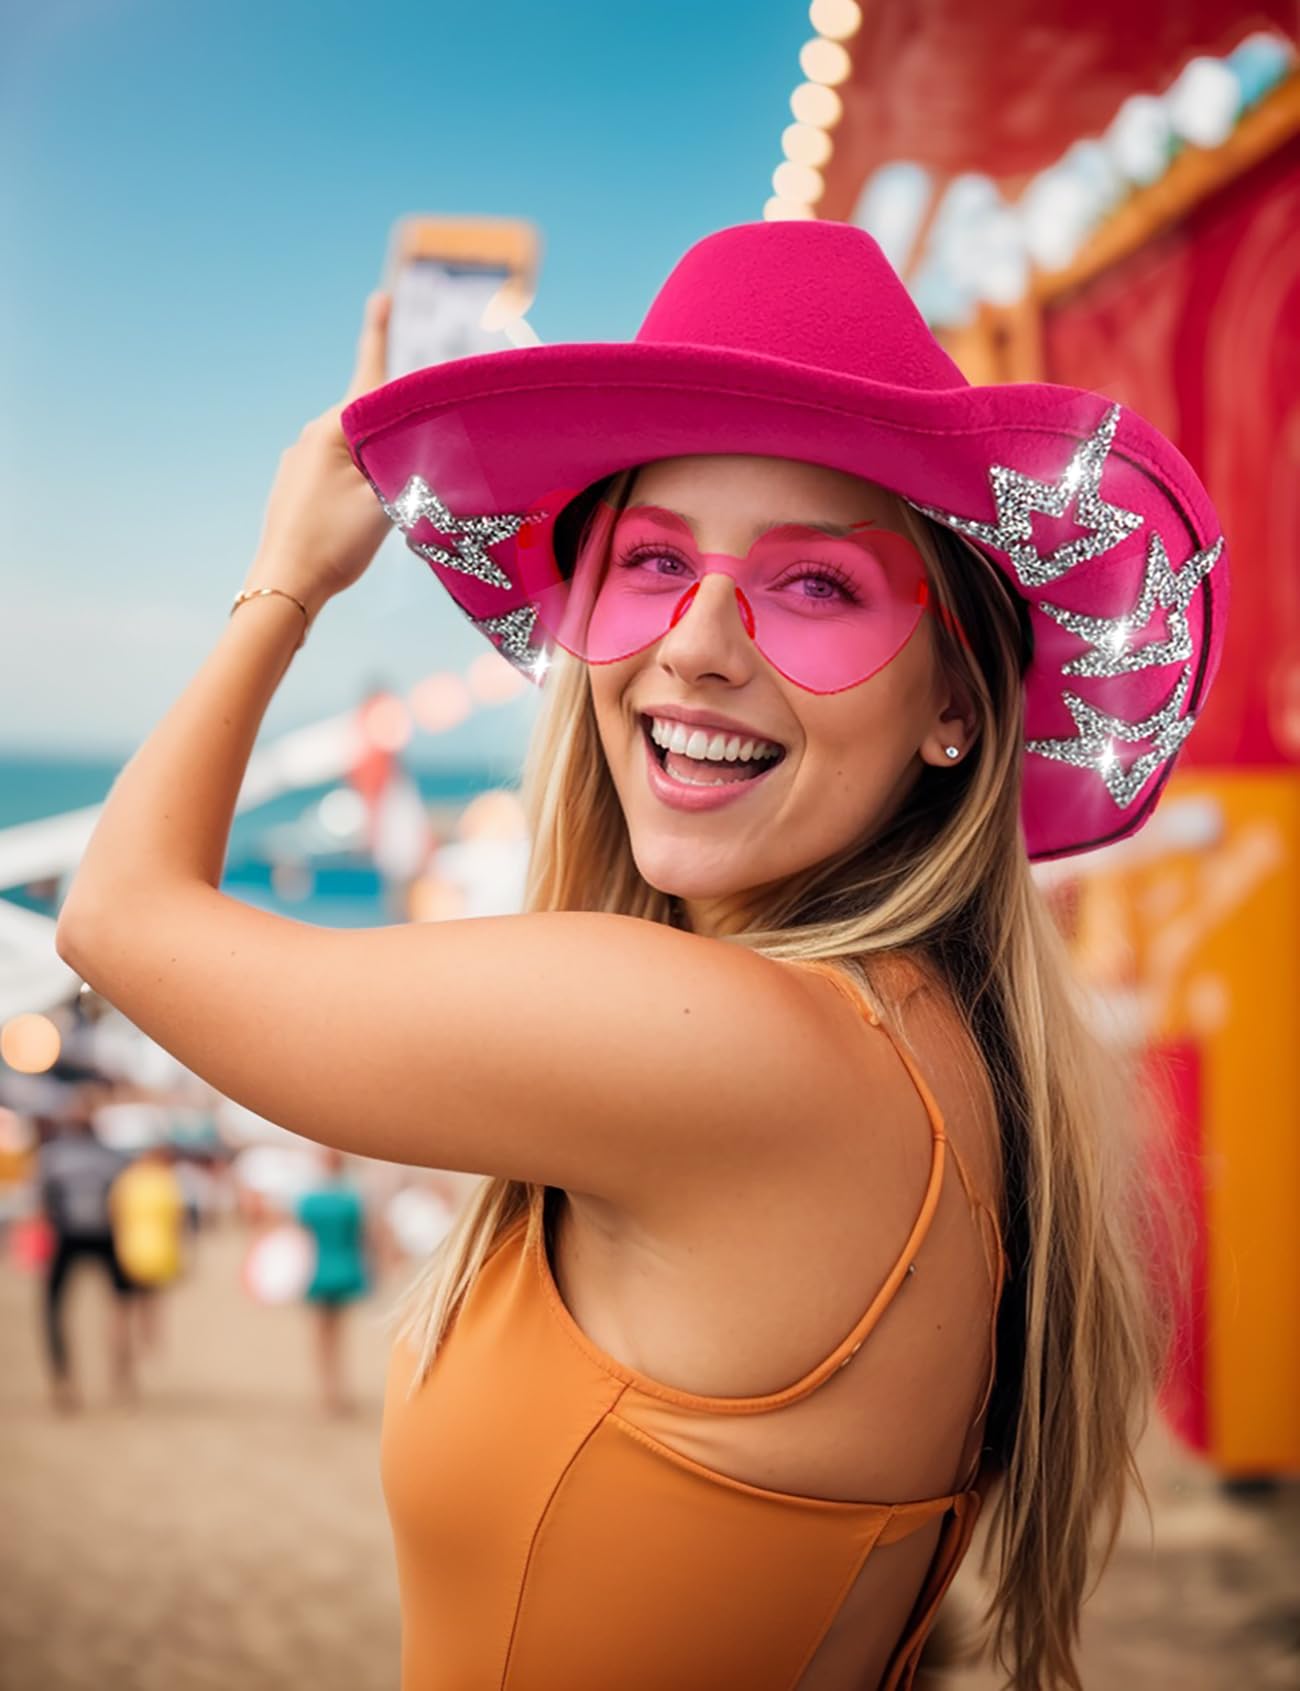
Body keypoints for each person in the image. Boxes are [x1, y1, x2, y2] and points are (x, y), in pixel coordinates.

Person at [54, 219, 1226, 1689]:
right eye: (656, 560)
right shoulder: (925, 1046)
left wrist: (287, 576)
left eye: (816, 586)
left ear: (959, 706)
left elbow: (119, 914)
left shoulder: (738, 1046)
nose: (698, 642)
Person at [36, 1090, 136, 1410]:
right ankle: (118, 1380)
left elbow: (41, 1204)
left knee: (56, 1311)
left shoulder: (52, 1156)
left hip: (71, 1236)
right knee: (118, 1310)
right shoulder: (111, 1157)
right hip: (101, 1236)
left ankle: (67, 1383)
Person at [295, 1146, 371, 1415]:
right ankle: (337, 1392)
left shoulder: (310, 1198)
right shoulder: (352, 1197)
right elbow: (363, 1236)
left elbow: (297, 1236)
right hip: (345, 1266)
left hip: (318, 1268)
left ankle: (326, 1392)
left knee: (321, 1335)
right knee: (338, 1334)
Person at [109, 1138, 187, 1358]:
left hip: (127, 1250)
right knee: (151, 1303)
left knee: (122, 1308)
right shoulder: (166, 1182)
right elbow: (176, 1222)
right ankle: (149, 1344)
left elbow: (114, 1215)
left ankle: (124, 1353)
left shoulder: (127, 1179)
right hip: (158, 1252)